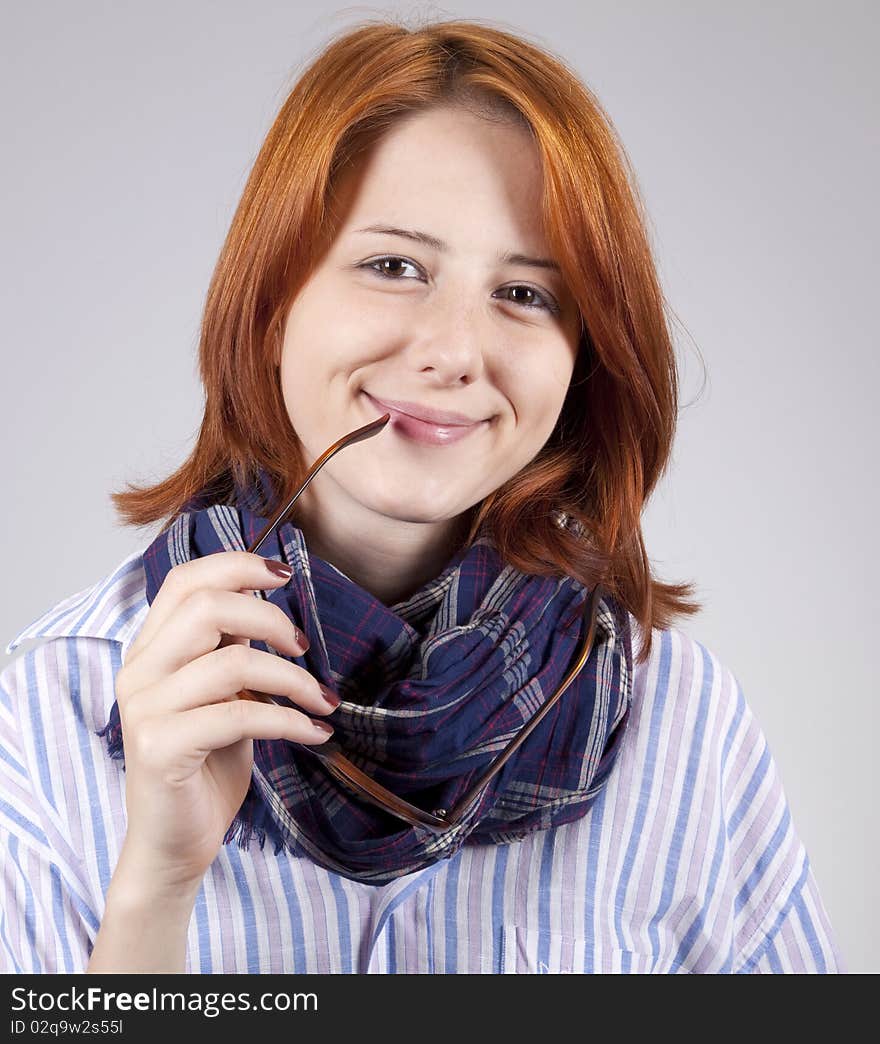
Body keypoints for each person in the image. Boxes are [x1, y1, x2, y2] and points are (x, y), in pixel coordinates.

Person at [0, 18, 844, 975]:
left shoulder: (681, 724)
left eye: (526, 294)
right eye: (395, 266)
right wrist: (156, 884)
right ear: (273, 301)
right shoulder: (47, 711)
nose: (452, 351)